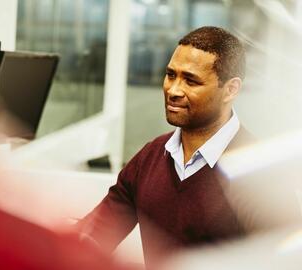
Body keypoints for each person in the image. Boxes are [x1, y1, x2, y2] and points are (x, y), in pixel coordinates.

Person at [77, 26, 254, 268]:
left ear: (231, 89)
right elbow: (94, 234)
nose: (173, 90)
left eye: (191, 81)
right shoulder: (150, 157)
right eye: (171, 75)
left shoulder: (259, 171)